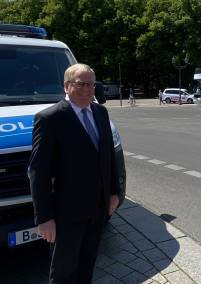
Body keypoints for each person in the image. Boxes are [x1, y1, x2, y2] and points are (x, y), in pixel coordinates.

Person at [28, 63, 120, 283]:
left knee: (87, 266)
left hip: (97, 210)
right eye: (82, 84)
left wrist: (114, 192)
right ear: (67, 86)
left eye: (92, 84)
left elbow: (109, 157)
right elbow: (37, 172)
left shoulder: (100, 112)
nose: (89, 89)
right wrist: (44, 218)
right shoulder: (50, 118)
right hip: (66, 214)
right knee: (63, 272)